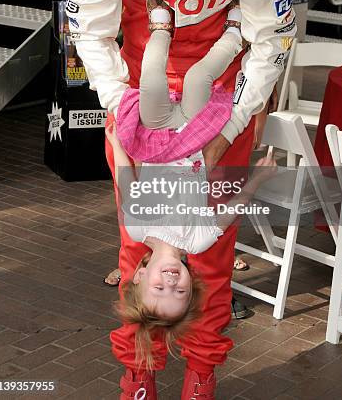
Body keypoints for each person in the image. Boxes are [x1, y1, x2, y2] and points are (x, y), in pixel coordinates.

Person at [68, 0, 296, 400]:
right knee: (136, 250)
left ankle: (201, 375)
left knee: (213, 258)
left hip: (221, 102)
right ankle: (138, 373)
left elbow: (269, 39)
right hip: (138, 96)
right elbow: (90, 30)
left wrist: (234, 125)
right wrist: (123, 116)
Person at [105, 117, 276, 371]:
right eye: (180, 292)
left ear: (139, 275)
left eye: (159, 289)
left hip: (154, 130)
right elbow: (233, 208)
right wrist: (258, 179)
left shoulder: (138, 227)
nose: (171, 284)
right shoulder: (198, 241)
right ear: (191, 289)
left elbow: (127, 182)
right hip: (194, 131)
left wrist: (118, 144)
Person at [232, 0, 280, 272]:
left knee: (231, 165)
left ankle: (221, 248)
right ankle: (140, 258)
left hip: (251, 73)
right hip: (207, 71)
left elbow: (272, 36)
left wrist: (258, 106)